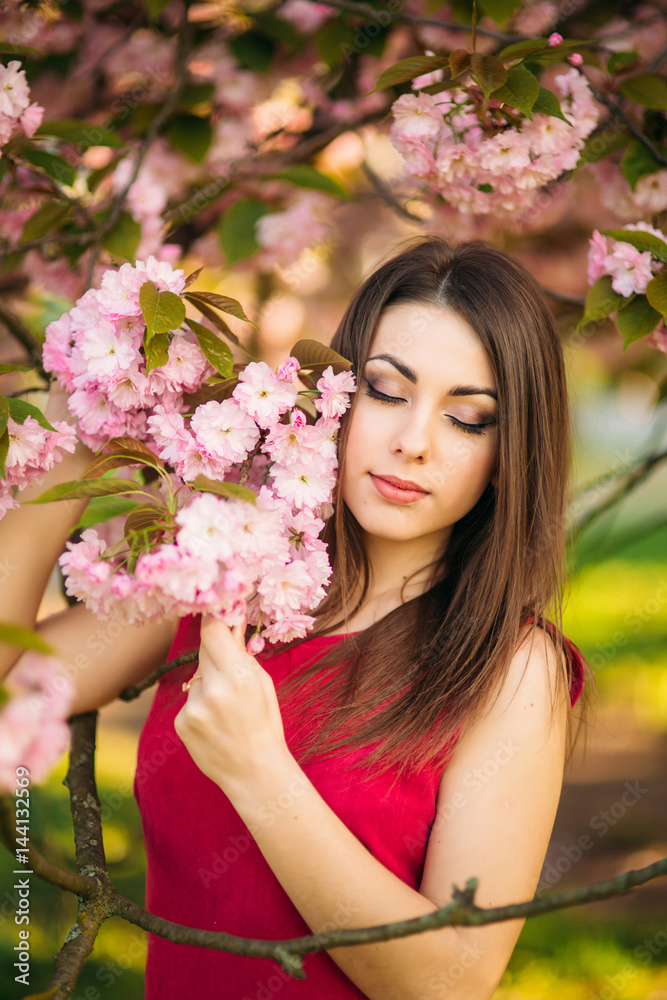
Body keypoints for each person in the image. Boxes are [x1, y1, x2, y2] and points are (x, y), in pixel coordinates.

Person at [0, 235, 589, 1000]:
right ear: (333, 394)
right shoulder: (224, 582)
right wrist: (73, 442)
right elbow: (16, 693)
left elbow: (449, 980)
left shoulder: (511, 668)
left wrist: (258, 772)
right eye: (385, 390)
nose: (413, 443)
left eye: (467, 418)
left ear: (507, 452)